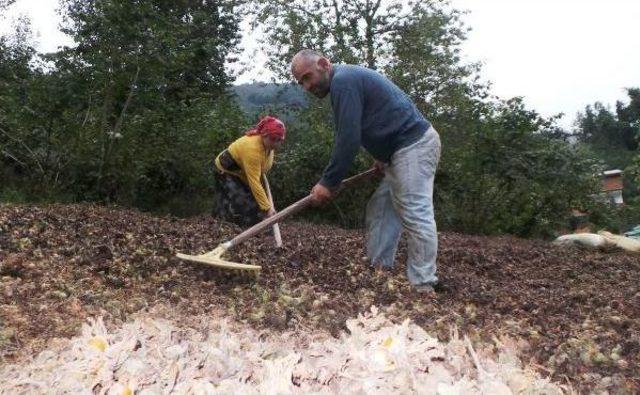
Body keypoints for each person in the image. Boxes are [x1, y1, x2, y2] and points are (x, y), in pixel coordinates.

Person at [291, 49, 442, 293]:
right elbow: (374, 119)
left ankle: (424, 284)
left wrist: (328, 182)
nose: (306, 87)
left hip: (414, 145)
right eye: (301, 83)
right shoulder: (345, 82)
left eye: (307, 77)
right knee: (382, 207)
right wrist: (382, 157)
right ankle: (380, 268)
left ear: (323, 63)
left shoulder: (343, 81)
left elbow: (349, 137)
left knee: (415, 210)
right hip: (397, 151)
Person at [213, 116, 285, 227]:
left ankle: (249, 226)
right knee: (240, 201)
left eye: (279, 140)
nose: (276, 143)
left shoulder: (268, 147)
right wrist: (267, 208)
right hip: (226, 170)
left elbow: (260, 171)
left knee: (255, 201)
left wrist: (266, 205)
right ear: (264, 135)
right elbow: (254, 182)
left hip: (242, 173)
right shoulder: (252, 149)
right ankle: (223, 225)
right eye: (273, 139)